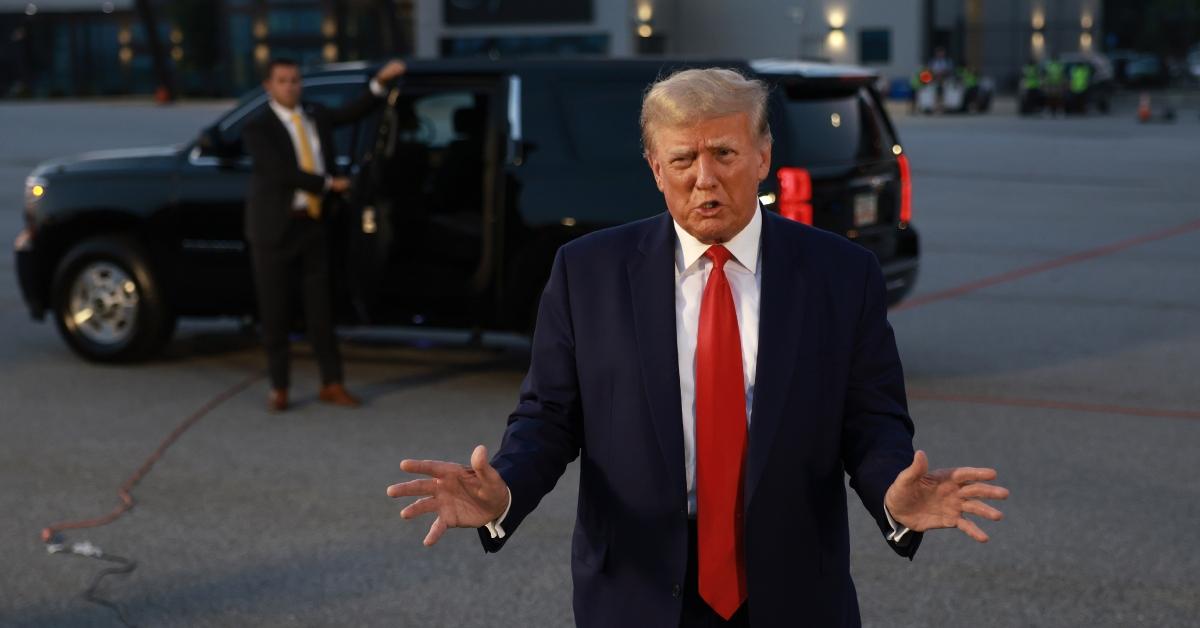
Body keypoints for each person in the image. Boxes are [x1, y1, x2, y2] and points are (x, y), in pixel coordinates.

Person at [386, 68, 1009, 627]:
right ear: (656, 168)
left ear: (763, 156)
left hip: (793, 591)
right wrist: (506, 491)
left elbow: (872, 422)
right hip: (635, 588)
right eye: (682, 159)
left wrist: (893, 494)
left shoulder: (842, 275)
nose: (704, 178)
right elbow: (548, 418)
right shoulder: (587, 272)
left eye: (724, 153)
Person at [243, 57, 406, 412]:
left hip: (313, 226)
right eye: (283, 81)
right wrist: (331, 184)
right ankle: (280, 387)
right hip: (273, 230)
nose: (291, 86)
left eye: (295, 80)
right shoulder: (258, 127)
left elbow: (352, 112)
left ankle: (332, 383)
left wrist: (379, 81)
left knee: (321, 311)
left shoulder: (314, 114)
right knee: (275, 312)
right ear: (269, 86)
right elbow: (281, 172)